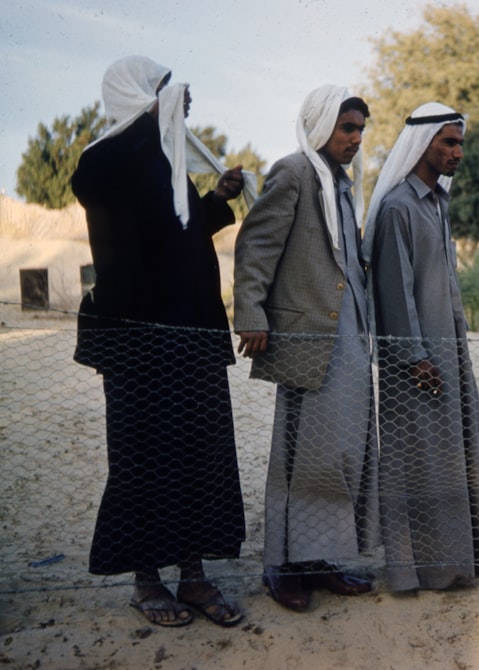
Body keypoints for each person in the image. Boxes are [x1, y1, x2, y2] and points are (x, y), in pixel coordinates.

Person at [71, 55, 249, 627]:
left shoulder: (166, 161)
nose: (185, 98)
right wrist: (160, 119)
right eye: (168, 90)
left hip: (193, 336)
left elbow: (183, 231)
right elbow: (130, 220)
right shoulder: (102, 163)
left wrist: (216, 199)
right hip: (139, 345)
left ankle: (192, 576)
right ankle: (147, 580)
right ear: (136, 96)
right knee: (143, 459)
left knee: (200, 454)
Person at [233, 85, 376, 611]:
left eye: (360, 129)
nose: (356, 138)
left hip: (349, 339)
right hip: (307, 339)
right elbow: (256, 245)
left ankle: (321, 561)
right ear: (320, 126)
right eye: (347, 128)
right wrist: (250, 313)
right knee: (301, 457)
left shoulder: (341, 183)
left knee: (339, 452)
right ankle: (283, 569)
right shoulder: (293, 172)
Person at [362, 102, 479, 591]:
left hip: (448, 352)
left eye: (460, 143)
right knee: (422, 459)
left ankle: (472, 554)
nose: (457, 152)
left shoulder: (437, 202)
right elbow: (395, 291)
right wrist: (416, 357)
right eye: (448, 142)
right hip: (417, 362)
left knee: (459, 450)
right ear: (421, 144)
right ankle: (427, 567)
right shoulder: (397, 208)